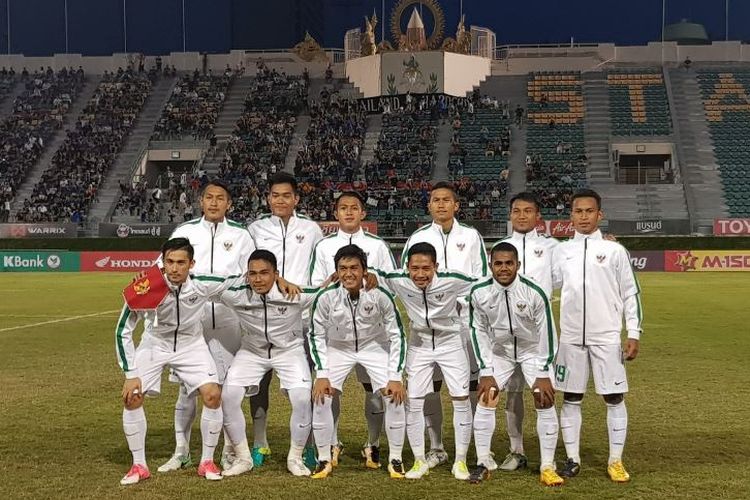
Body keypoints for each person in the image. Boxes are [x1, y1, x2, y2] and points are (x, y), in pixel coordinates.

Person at [116, 238, 239, 485]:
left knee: (213, 395)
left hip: (191, 344)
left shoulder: (203, 283)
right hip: (154, 343)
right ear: (162, 262)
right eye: (169, 262)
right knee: (132, 397)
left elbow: (239, 279)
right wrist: (130, 374)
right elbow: (123, 330)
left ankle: (207, 461)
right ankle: (139, 465)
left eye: (181, 263)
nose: (174, 268)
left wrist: (277, 280)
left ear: (191, 264)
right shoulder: (146, 286)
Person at [158, 180, 256, 474]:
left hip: (228, 323)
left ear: (229, 204)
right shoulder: (185, 231)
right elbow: (163, 269)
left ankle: (226, 451)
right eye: (209, 198)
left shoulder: (241, 235)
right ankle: (181, 451)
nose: (214, 203)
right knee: (186, 392)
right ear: (201, 202)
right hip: (192, 322)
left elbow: (247, 277)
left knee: (224, 392)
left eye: (221, 198)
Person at [552, 189, 643, 482]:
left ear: (599, 215)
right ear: (571, 216)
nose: (583, 217)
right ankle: (573, 459)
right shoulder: (562, 251)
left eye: (589, 211)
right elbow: (546, 287)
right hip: (571, 337)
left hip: (606, 336)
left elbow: (631, 293)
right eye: (578, 211)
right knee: (572, 397)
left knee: (614, 396)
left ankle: (615, 460)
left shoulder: (615, 251)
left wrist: (634, 332)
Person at [401, 181, 488, 471]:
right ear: (429, 206)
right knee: (430, 388)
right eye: (435, 200)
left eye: (446, 200)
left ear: (456, 205)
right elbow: (406, 277)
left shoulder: (471, 236)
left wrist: (464, 303)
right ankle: (436, 446)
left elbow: (481, 278)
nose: (440, 204)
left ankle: (475, 448)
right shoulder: (418, 237)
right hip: (426, 328)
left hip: (462, 322)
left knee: (468, 387)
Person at [372, 243, 477, 480]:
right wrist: (367, 275)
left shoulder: (453, 279)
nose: (420, 274)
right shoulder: (398, 278)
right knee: (415, 402)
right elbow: (372, 272)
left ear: (436, 267)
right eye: (414, 268)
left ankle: (460, 461)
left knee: (460, 400)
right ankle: (420, 460)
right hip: (419, 344)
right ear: (406, 267)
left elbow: (482, 282)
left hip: (451, 343)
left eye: (426, 268)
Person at [308, 191, 397, 468]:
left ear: (363, 213)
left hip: (372, 332)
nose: (348, 212)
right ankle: (333, 442)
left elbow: (390, 284)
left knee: (374, 389)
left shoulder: (378, 245)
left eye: (354, 208)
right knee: (329, 391)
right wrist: (332, 280)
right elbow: (315, 286)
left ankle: (374, 444)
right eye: (343, 208)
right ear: (336, 213)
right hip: (338, 335)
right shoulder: (323, 247)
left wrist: (374, 278)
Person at [212, 250, 319, 478]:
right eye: (252, 274)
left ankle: (296, 458)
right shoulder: (236, 295)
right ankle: (243, 458)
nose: (258, 279)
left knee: (301, 398)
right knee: (229, 396)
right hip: (252, 352)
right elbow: (206, 284)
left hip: (289, 351)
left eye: (264, 273)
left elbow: (329, 289)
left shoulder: (294, 294)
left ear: (276, 274)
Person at [466, 242, 564, 486]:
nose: (504, 268)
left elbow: (548, 333)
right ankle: (482, 461)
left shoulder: (534, 291)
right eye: (498, 263)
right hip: (501, 352)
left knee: (544, 397)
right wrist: (486, 370)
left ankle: (547, 465)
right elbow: (476, 330)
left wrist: (543, 371)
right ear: (491, 266)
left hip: (532, 351)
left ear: (518, 265)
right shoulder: (479, 292)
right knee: (487, 395)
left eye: (509, 263)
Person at [247, 172, 324, 467]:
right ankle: (260, 442)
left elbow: (318, 269)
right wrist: (276, 280)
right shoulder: (255, 229)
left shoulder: (311, 229)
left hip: (301, 317)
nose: (280, 200)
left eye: (286, 195)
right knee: (260, 380)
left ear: (296, 199)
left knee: (306, 384)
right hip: (262, 316)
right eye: (275, 195)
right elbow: (251, 268)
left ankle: (306, 444)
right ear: (268, 198)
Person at [491, 192, 559, 472]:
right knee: (512, 395)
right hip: (505, 337)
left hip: (538, 335)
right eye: (516, 211)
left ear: (537, 216)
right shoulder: (499, 248)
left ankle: (548, 459)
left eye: (527, 211)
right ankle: (516, 450)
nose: (521, 215)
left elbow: (565, 277)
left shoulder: (553, 247)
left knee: (543, 394)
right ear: (510, 215)